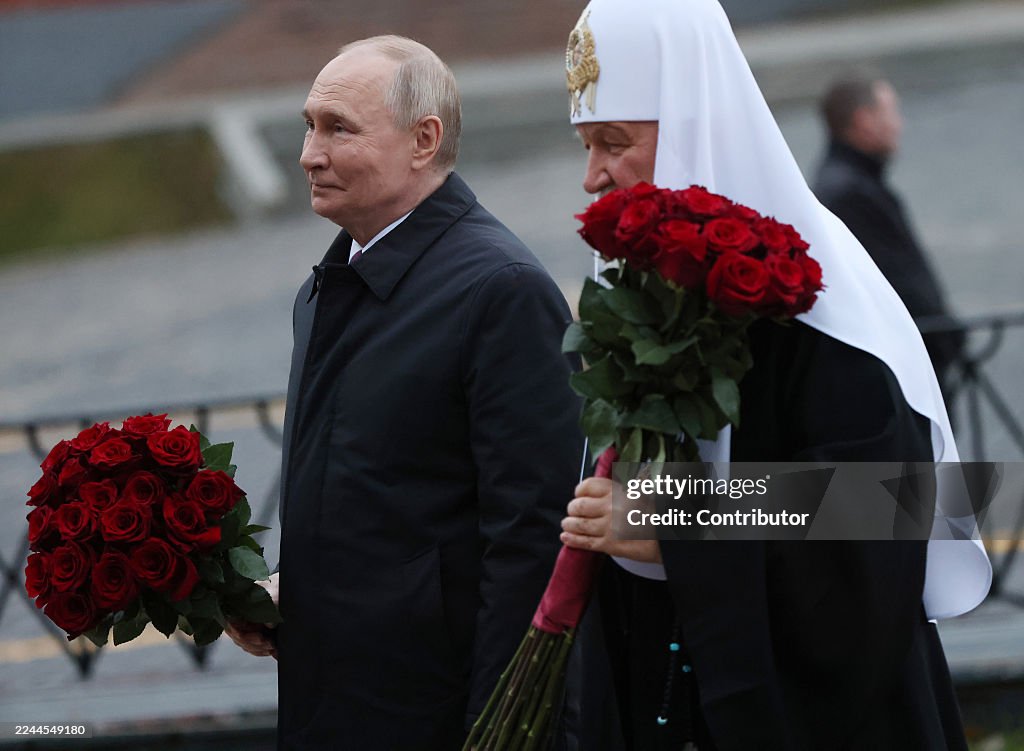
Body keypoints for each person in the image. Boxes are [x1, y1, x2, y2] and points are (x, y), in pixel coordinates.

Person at [558, 2, 991, 749]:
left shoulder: (821, 310)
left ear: (694, 132)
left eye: (613, 141)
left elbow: (892, 508)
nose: (593, 174)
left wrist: (683, 524)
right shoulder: (643, 304)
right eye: (585, 143)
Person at [224, 36, 583, 750]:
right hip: (336, 701)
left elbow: (530, 542)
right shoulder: (327, 288)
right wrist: (295, 591)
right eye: (307, 124)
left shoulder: (500, 291)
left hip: (435, 717)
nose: (308, 153)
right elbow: (386, 504)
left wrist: (501, 731)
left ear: (424, 140)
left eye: (338, 128)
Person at [814, 71, 965, 406]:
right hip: (905, 370)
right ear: (864, 120)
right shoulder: (848, 193)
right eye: (891, 112)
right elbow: (896, 280)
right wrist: (944, 337)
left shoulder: (852, 184)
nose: (900, 124)